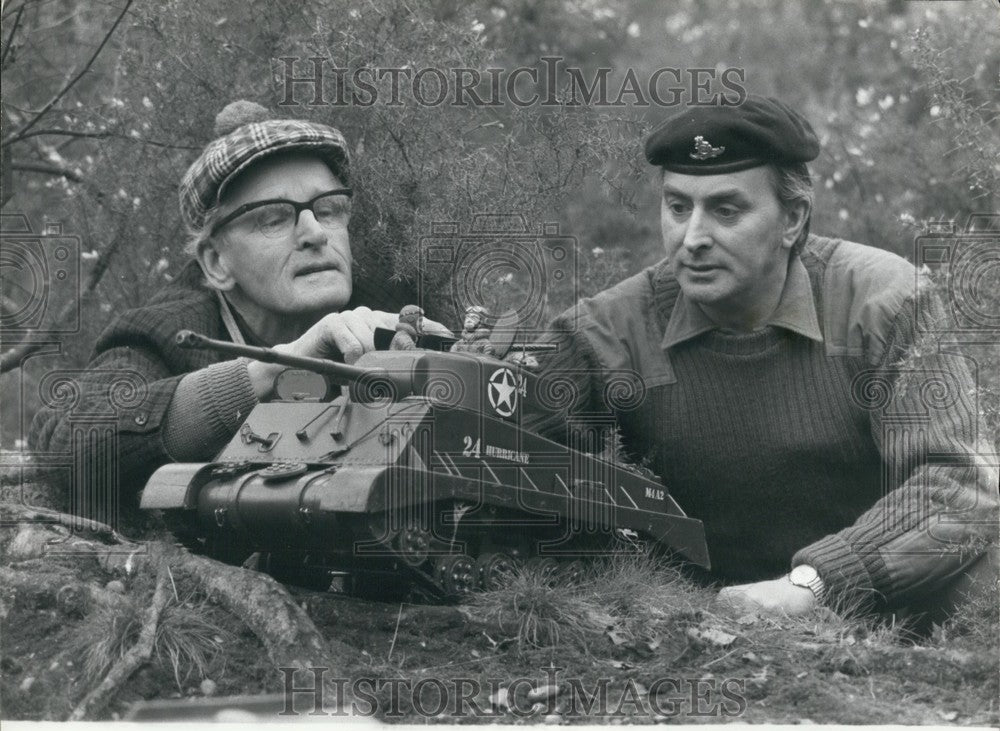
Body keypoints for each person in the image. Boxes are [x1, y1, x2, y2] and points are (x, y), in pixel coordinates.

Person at [527, 95, 998, 620]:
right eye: (678, 207)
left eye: (726, 210)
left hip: (877, 604)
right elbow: (503, 459)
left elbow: (957, 485)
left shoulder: (885, 302)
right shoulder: (603, 333)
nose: (693, 237)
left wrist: (812, 586)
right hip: (695, 622)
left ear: (792, 219)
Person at [29, 100, 444, 508]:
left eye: (329, 208)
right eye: (274, 219)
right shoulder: (167, 330)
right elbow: (68, 440)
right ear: (216, 262)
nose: (315, 233)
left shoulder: (397, 300)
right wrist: (274, 368)